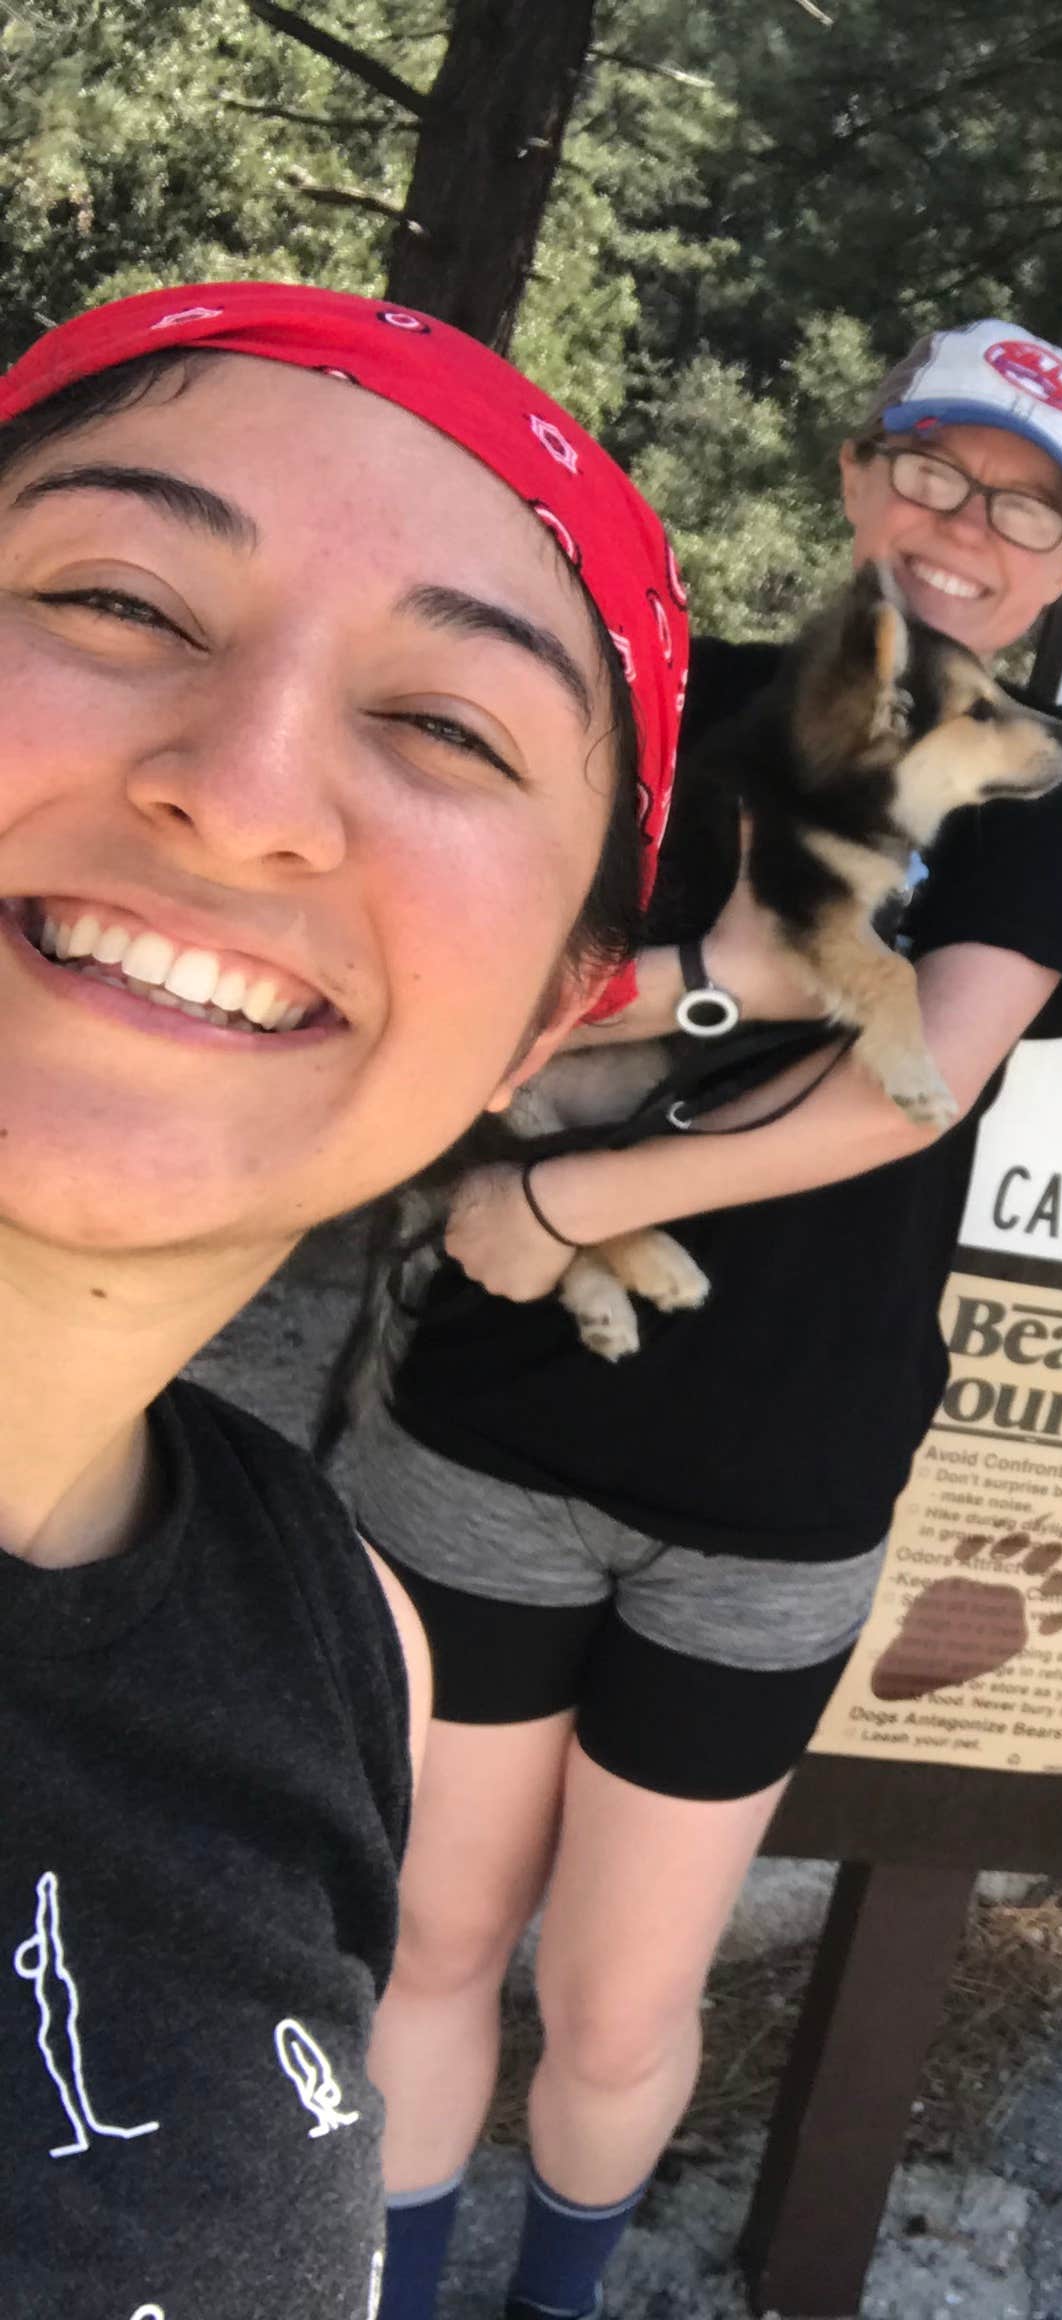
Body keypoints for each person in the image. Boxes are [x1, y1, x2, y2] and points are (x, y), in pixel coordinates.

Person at [329, 318, 1062, 2320]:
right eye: (936, 469)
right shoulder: (662, 709)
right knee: (428, 1942)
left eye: (1027, 508)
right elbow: (507, 991)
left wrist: (564, 1196)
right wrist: (733, 973)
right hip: (490, 1432)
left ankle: (557, 2298)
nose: (967, 529)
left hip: (776, 1487)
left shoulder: (1053, 779)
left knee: (617, 2005)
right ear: (862, 476)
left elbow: (910, 1086)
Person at [0, 283, 683, 2317]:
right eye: (116, 599)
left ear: (546, 1020)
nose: (248, 787)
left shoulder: (341, 1631)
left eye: (447, 727)